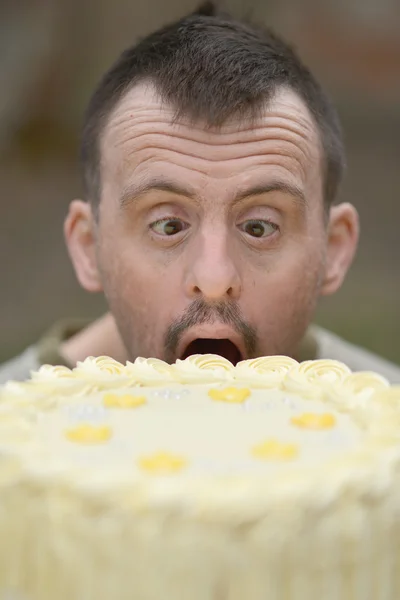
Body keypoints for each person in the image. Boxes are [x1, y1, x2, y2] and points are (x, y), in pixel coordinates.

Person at [1, 2, 400, 384]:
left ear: (333, 249)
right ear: (89, 247)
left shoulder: (386, 432)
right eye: (168, 225)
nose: (214, 279)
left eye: (260, 228)